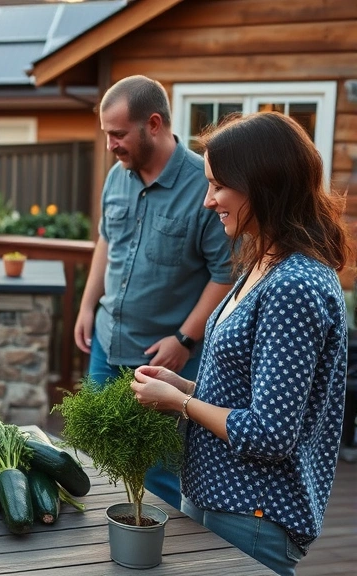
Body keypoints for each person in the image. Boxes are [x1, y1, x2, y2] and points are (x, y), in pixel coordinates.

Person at [132, 111, 352, 575]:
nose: (208, 200)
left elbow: (270, 434)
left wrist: (179, 402)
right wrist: (186, 387)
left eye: (218, 185)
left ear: (263, 184)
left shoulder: (296, 285)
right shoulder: (264, 261)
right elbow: (248, 396)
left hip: (253, 512)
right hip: (216, 498)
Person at [73, 75, 234, 507]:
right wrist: (88, 306)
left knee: (161, 473)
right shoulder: (116, 176)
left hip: (163, 359)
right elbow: (106, 241)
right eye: (107, 133)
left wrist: (185, 340)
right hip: (107, 345)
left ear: (155, 124)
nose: (111, 144)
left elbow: (225, 274)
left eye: (118, 134)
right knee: (97, 458)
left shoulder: (204, 186)